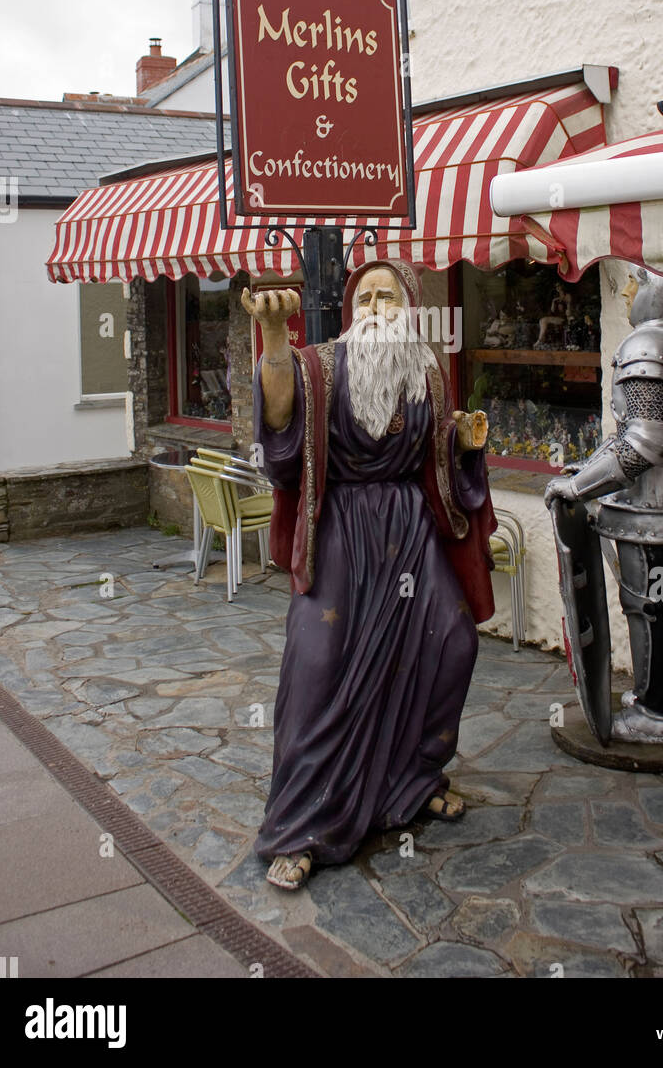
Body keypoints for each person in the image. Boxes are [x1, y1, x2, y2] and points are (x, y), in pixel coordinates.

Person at [241, 259, 496, 888]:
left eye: (387, 297)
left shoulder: (428, 373)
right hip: (343, 534)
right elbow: (279, 426)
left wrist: (466, 447)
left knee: (452, 642)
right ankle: (300, 826)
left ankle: (415, 778)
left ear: (407, 308)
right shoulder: (321, 366)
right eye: (366, 297)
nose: (375, 307)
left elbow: (441, 467)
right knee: (318, 667)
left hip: (409, 534)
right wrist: (275, 341)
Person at [545, 265, 663, 743]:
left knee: (649, 605)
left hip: (651, 499)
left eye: (635, 282)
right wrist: (584, 471)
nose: (625, 290)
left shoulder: (647, 345)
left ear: (657, 289)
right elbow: (633, 438)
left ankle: (654, 712)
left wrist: (577, 490)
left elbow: (640, 445)